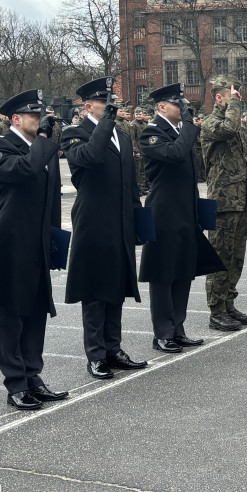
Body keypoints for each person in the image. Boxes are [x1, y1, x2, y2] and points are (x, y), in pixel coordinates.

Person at [0, 89, 67, 410]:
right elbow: (25, 171)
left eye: (41, 115)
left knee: (36, 310)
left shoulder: (39, 148)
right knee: (12, 313)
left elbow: (51, 197)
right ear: (16, 119)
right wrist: (43, 138)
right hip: (11, 241)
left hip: (38, 239)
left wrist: (54, 238)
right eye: (33, 115)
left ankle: (32, 375)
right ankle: (16, 382)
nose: (40, 120)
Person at [61, 77, 149, 379]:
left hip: (121, 220)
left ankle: (114, 348)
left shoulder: (121, 137)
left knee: (116, 286)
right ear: (88, 106)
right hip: (94, 221)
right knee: (95, 289)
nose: (111, 106)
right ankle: (96, 354)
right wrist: (107, 122)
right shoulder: (74, 134)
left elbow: (131, 184)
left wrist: (138, 220)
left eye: (113, 102)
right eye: (104, 102)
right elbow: (91, 157)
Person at [139, 83, 223, 351]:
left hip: (186, 210)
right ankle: (163, 333)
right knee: (163, 274)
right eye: (178, 104)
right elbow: (175, 155)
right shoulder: (152, 132)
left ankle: (178, 327)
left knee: (183, 271)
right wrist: (188, 125)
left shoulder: (179, 131)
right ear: (162, 107)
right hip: (164, 212)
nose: (183, 108)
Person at [201, 75, 247, 331]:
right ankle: (216, 310)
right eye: (233, 96)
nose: (238, 101)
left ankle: (229, 303)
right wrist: (234, 103)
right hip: (223, 200)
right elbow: (229, 129)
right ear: (219, 97)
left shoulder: (236, 124)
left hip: (240, 198)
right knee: (220, 256)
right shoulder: (211, 123)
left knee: (236, 257)